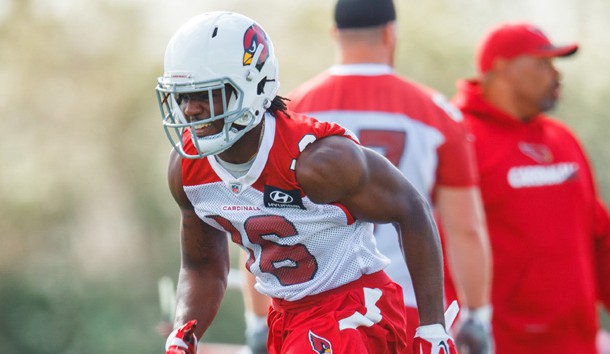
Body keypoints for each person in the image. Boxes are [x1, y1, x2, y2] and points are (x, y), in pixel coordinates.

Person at [155, 11, 458, 354]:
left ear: (253, 86)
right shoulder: (189, 169)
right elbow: (203, 266)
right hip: (286, 317)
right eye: (182, 96)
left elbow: (411, 208)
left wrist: (433, 328)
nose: (192, 110)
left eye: (207, 95)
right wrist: (184, 331)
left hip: (352, 310)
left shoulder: (315, 160)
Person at [283, 0, 493, 353]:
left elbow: (264, 217)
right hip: (411, 305)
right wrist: (477, 314)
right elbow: (465, 228)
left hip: (318, 314)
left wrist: (259, 320)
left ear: (335, 34)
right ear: (390, 34)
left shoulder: (294, 110)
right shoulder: (437, 112)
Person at [452, 21, 610, 354]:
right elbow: (442, 241)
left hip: (578, 344)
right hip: (501, 344)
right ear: (501, 67)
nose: (556, 74)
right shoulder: (459, 139)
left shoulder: (563, 139)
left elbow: (600, 238)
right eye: (543, 63)